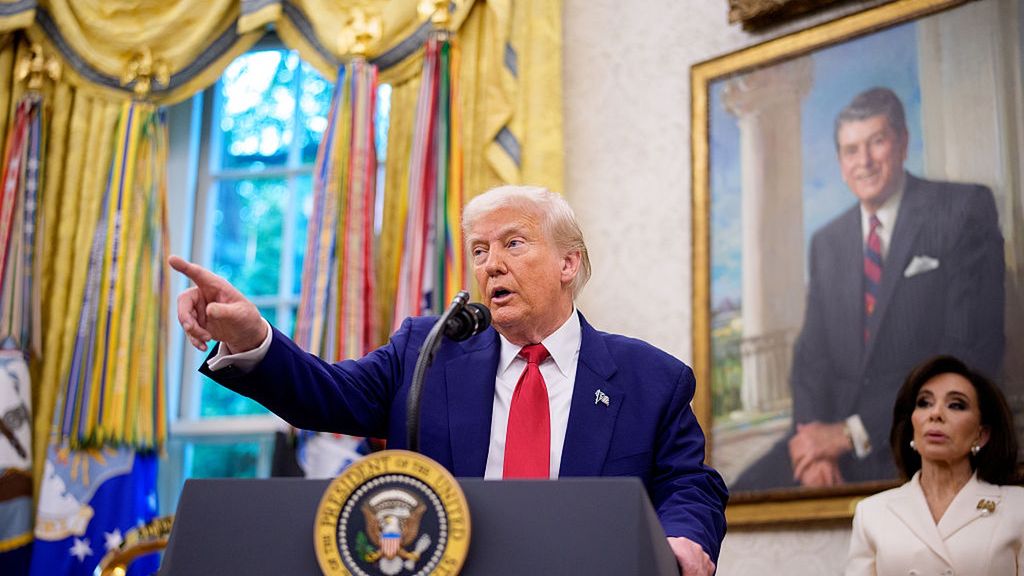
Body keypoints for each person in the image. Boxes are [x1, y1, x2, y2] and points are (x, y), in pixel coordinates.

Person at [171, 185, 728, 574]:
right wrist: (250, 337)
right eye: (479, 250)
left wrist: (683, 537)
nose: (490, 265)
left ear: (569, 263)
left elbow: (690, 484)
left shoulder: (651, 378)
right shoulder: (427, 351)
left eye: (513, 243)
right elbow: (328, 395)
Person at [734, 86, 1005, 490]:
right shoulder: (828, 241)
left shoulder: (961, 210)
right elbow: (811, 359)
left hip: (909, 437)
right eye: (850, 150)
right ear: (841, 163)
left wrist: (850, 433)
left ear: (902, 143)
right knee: (732, 500)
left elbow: (969, 352)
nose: (863, 161)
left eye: (876, 142)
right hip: (829, 442)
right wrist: (811, 446)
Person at [845, 355, 1023, 575]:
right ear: (912, 426)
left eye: (956, 405)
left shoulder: (1017, 507)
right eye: (924, 403)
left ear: (981, 434)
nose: (936, 413)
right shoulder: (871, 514)